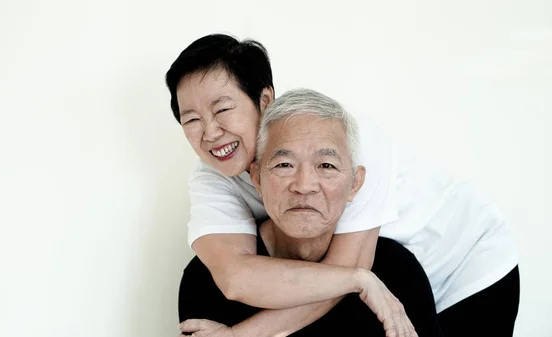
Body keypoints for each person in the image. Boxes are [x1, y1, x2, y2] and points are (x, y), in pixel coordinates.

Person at [165, 34, 520, 336]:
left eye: (222, 109)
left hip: (465, 263)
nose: (210, 132)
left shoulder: (353, 143)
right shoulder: (213, 176)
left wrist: (241, 335)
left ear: (265, 100)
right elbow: (237, 278)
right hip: (382, 278)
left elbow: (342, 274)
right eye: (192, 119)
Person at [178, 89, 443, 337]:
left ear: (355, 184)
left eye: (326, 165)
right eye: (284, 164)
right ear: (257, 178)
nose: (304, 186)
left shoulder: (398, 275)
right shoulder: (205, 281)